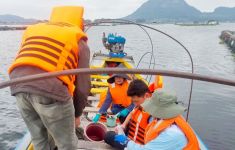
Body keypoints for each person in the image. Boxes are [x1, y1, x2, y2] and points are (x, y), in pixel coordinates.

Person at [8, 6, 90, 150]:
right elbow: (83, 87)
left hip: (17, 86)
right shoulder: (78, 39)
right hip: (52, 90)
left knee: (39, 139)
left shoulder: (33, 30)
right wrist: (76, 115)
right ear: (79, 22)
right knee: (67, 144)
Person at [105, 80, 200, 150]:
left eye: (152, 107)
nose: (150, 109)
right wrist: (124, 126)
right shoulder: (164, 119)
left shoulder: (172, 134)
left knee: (109, 137)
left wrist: (125, 141)